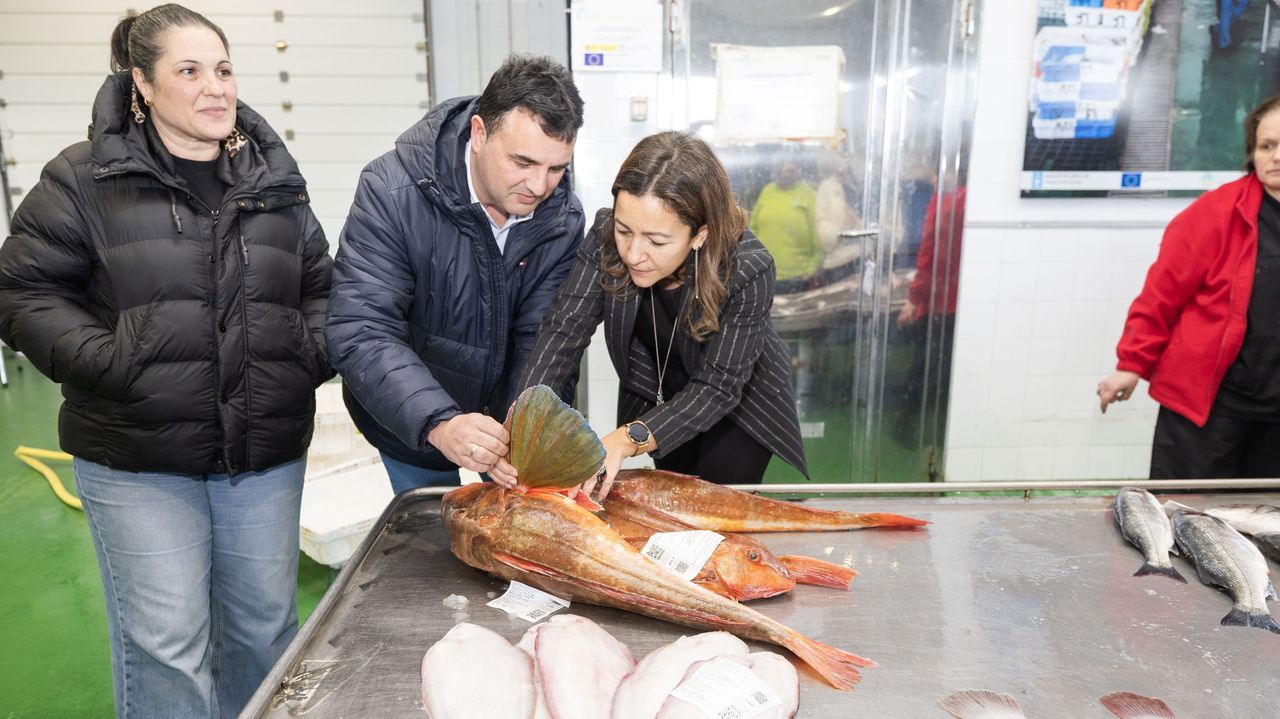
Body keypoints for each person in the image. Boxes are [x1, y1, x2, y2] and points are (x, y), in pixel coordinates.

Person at [0, 5, 332, 717]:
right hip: (137, 454)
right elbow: (23, 290)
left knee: (265, 632)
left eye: (223, 69)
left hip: (261, 452)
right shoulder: (84, 178)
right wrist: (108, 361)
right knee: (169, 644)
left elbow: (320, 288)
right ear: (142, 86)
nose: (215, 87)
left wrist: (304, 354)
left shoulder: (272, 178)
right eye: (189, 71)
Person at [325, 55, 585, 494]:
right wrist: (439, 423)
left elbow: (543, 338)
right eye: (523, 162)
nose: (540, 186)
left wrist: (520, 431)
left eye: (556, 168)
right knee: (429, 524)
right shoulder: (392, 192)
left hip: (505, 429)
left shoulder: (562, 218)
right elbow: (362, 327)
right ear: (480, 134)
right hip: (411, 418)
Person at [515, 132, 808, 499]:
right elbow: (563, 331)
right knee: (673, 502)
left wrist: (627, 438)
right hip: (663, 392)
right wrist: (524, 426)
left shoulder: (749, 268)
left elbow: (718, 387)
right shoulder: (606, 236)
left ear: (700, 235)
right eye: (624, 230)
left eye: (656, 242)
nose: (633, 254)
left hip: (738, 402)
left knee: (713, 506)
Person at [1098, 95, 1280, 479]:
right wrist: (1131, 365)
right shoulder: (1214, 213)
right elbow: (1161, 295)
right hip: (1209, 407)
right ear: (1252, 153)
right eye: (1267, 146)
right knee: (1185, 509)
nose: (1276, 157)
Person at [749, 156, 821, 294]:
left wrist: (812, 268)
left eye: (791, 168)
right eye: (783, 167)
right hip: (764, 273)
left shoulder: (806, 193)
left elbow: (818, 233)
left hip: (797, 277)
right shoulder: (767, 191)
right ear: (776, 170)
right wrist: (753, 262)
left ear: (798, 170)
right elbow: (753, 228)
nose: (787, 171)